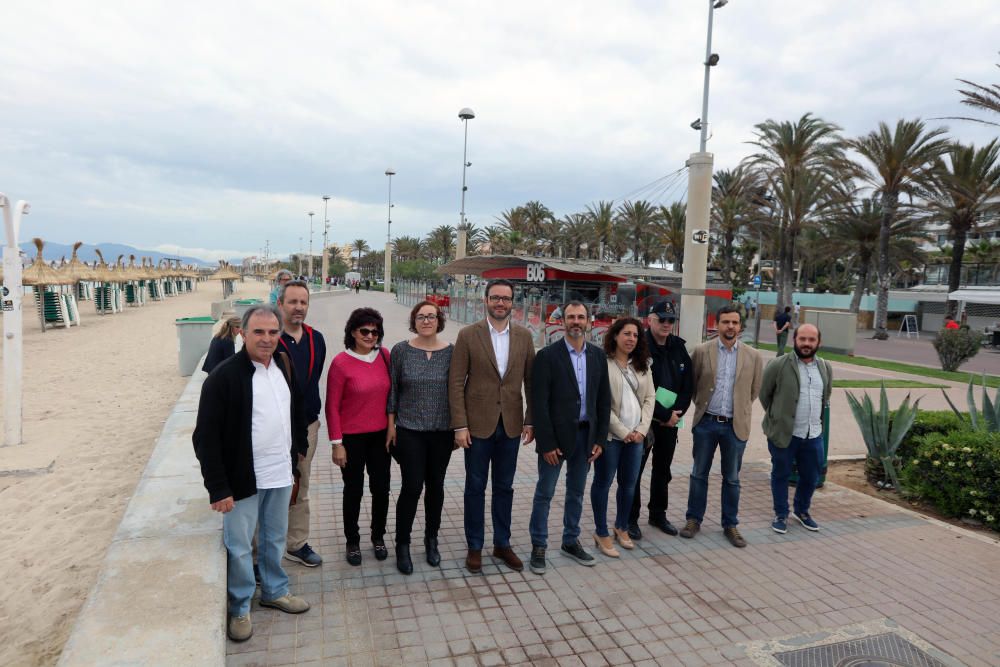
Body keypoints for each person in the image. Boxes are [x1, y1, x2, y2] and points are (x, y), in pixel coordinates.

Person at [192, 305, 310, 643]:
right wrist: (218, 488)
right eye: (259, 332)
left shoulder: (283, 365)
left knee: (274, 538)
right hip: (243, 478)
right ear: (243, 334)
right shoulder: (224, 376)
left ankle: (274, 590)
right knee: (241, 546)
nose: (267, 339)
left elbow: (295, 409)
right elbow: (205, 437)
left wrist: (298, 448)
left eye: (273, 332)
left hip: (279, 473)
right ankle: (241, 605)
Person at [449, 278, 535, 574]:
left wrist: (530, 419)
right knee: (475, 487)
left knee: (504, 487)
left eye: (506, 299)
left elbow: (531, 382)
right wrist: (460, 424)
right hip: (477, 426)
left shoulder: (524, 336)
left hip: (510, 425)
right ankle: (475, 546)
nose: (501, 303)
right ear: (485, 300)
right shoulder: (468, 335)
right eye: (495, 298)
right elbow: (456, 382)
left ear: (513, 303)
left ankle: (502, 543)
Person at [527, 301, 611, 573]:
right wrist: (547, 443)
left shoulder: (598, 357)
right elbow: (539, 403)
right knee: (545, 493)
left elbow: (603, 400)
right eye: (571, 317)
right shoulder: (547, 356)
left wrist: (600, 438)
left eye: (581, 317)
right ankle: (539, 545)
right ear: (562, 321)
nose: (576, 321)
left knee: (576, 492)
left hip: (586, 437)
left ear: (589, 321)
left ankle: (570, 540)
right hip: (556, 440)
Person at [680, 305, 764, 548]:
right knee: (698, 475)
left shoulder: (753, 356)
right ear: (717, 324)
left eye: (734, 322)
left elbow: (754, 391)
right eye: (725, 322)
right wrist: (703, 408)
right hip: (706, 423)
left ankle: (730, 524)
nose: (730, 327)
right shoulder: (701, 351)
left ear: (740, 326)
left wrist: (737, 410)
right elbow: (693, 386)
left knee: (732, 479)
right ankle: (693, 520)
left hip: (734, 426)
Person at [387, 300, 454, 574]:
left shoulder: (452, 352)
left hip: (441, 431)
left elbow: (459, 390)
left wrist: (460, 427)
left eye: (431, 316)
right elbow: (392, 390)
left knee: (435, 487)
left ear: (439, 321)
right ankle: (402, 544)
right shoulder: (401, 351)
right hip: (409, 429)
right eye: (421, 317)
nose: (426, 321)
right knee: (412, 487)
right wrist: (390, 425)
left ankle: (431, 539)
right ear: (413, 321)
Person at [325, 308, 391, 566]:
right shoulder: (341, 363)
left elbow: (393, 395)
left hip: (380, 437)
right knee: (353, 490)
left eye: (375, 331)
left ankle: (378, 536)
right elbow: (331, 405)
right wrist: (336, 443)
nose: (370, 335)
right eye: (365, 330)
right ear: (353, 331)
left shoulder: (384, 356)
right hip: (351, 439)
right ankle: (352, 540)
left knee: (382, 489)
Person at [628, 300, 693, 539]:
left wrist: (677, 414)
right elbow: (637, 388)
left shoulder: (678, 347)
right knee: (635, 471)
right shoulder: (639, 346)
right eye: (662, 319)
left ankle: (657, 514)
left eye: (670, 320)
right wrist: (664, 415)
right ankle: (630, 518)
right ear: (650, 320)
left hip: (671, 423)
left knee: (662, 470)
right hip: (644, 422)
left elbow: (688, 384)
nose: (666, 324)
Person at [590, 317, 654, 557]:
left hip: (636, 438)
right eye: (627, 334)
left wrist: (641, 430)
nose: (631, 339)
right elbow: (600, 404)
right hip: (611, 437)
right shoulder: (602, 363)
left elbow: (650, 399)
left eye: (636, 335)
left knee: (629, 485)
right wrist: (623, 432)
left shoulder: (642, 365)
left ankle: (622, 526)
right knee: (603, 484)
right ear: (615, 336)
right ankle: (601, 531)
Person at [760, 324, 832, 535]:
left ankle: (802, 511)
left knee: (811, 476)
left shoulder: (825, 367)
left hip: (814, 434)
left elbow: (825, 396)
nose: (807, 344)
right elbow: (765, 395)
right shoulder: (779, 365)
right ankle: (781, 513)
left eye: (811, 340)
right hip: (785, 434)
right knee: (780, 474)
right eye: (803, 339)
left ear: (819, 342)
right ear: (795, 340)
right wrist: (778, 418)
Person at [276, 280, 327, 568]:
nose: (298, 307)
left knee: (300, 484)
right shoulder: (271, 337)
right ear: (280, 303)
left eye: (303, 302)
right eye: (292, 302)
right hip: (275, 427)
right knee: (268, 488)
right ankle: (261, 551)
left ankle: (295, 543)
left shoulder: (316, 338)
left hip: (307, 426)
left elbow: (312, 380)